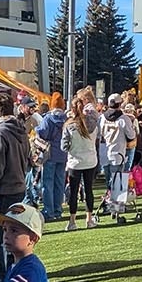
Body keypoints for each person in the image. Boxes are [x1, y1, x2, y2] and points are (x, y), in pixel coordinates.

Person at [0, 93, 31, 282]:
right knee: (11, 237)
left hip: (1, 191)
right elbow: (28, 158)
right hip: (18, 187)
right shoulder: (20, 130)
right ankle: (13, 279)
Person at [62, 93, 101, 231]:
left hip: (75, 162)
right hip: (90, 160)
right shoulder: (93, 124)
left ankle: (72, 221)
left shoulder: (69, 126)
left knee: (73, 191)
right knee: (89, 189)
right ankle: (89, 219)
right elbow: (98, 139)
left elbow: (64, 146)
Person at [98, 95, 139, 225]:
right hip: (118, 153)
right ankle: (115, 210)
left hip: (105, 152)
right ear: (120, 104)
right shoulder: (123, 119)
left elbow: (98, 134)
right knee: (117, 182)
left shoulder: (102, 118)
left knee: (109, 181)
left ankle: (108, 206)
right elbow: (131, 135)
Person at [34, 91, 67, 221]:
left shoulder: (48, 118)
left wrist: (36, 130)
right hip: (63, 155)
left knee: (47, 183)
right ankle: (58, 210)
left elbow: (42, 133)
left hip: (50, 154)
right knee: (59, 183)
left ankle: (49, 210)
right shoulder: (66, 118)